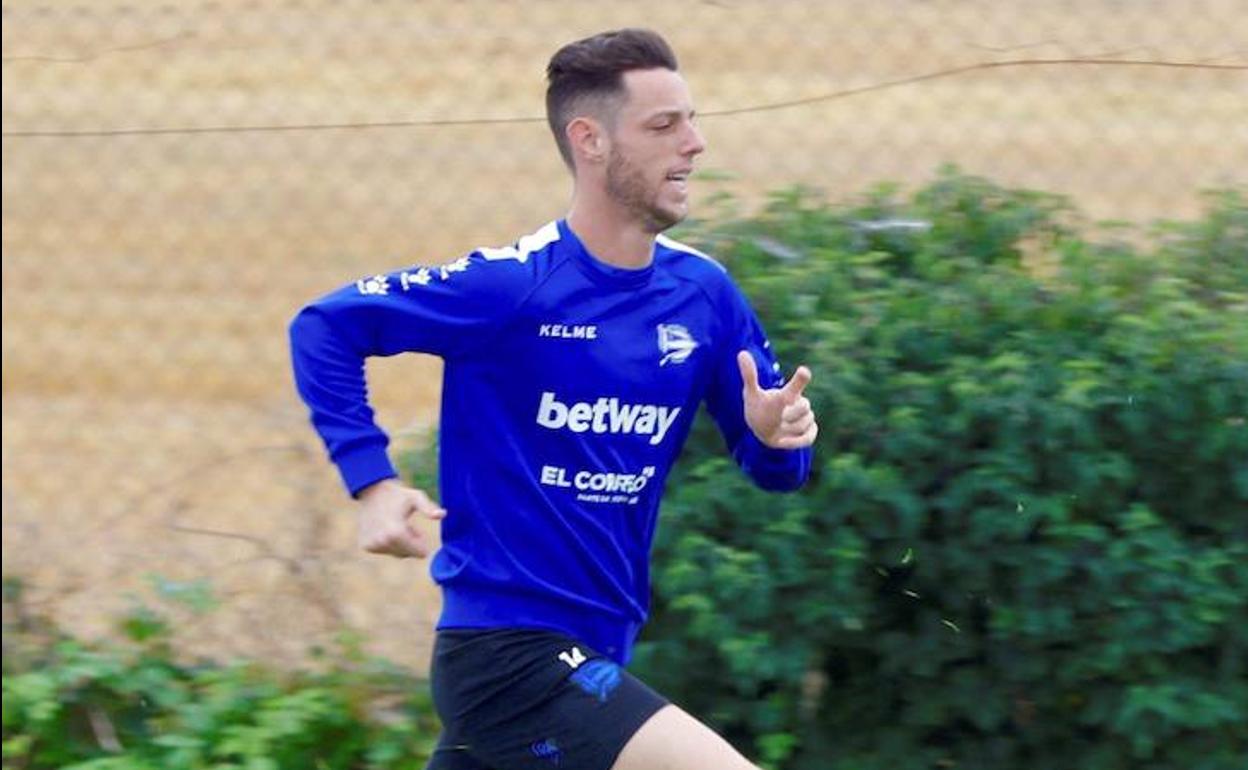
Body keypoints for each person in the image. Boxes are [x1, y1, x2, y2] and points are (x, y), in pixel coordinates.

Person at [289, 27, 818, 770]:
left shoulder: (704, 295)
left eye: (693, 120)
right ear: (589, 140)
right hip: (512, 655)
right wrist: (374, 484)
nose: (694, 143)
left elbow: (777, 473)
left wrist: (778, 438)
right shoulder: (512, 287)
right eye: (664, 125)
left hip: (591, 648)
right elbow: (324, 328)